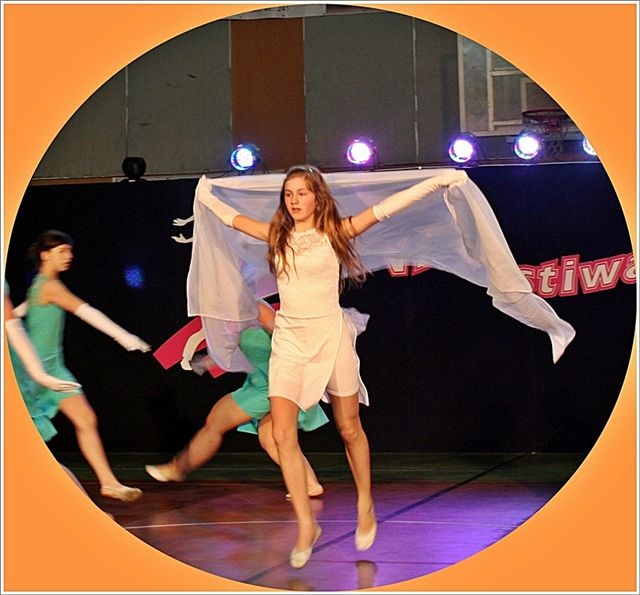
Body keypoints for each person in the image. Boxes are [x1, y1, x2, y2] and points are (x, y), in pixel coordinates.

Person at [196, 164, 469, 568]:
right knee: (281, 433)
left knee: (348, 427)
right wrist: (204, 194)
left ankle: (365, 502)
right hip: (289, 340)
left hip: (330, 336)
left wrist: (438, 180)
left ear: (317, 197)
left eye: (302, 193)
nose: (294, 200)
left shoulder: (336, 232)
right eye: (289, 193)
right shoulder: (276, 235)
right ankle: (306, 525)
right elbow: (230, 218)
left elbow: (387, 207)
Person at [14, 229, 151, 502]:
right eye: (62, 251)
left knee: (85, 419)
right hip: (34, 373)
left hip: (54, 369)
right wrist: (123, 336)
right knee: (26, 440)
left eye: (70, 251)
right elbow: (86, 311)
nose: (69, 256)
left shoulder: (43, 285)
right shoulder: (49, 286)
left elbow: (18, 312)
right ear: (45, 255)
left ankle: (109, 483)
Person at [145, 299, 327, 498]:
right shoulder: (232, 316)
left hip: (272, 385)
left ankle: (177, 468)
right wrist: (205, 363)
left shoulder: (257, 308)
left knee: (216, 421)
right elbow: (230, 350)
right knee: (269, 438)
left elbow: (288, 340)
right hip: (259, 384)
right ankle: (309, 484)